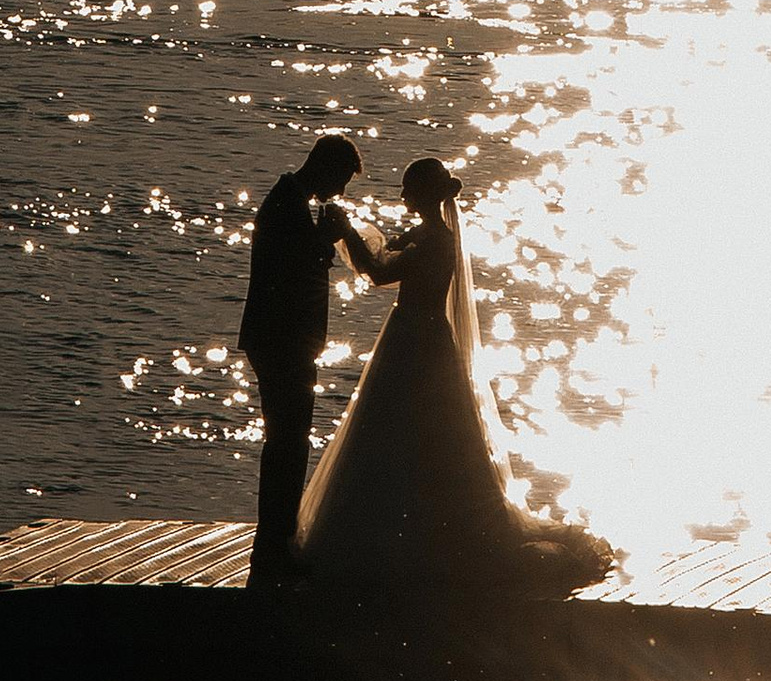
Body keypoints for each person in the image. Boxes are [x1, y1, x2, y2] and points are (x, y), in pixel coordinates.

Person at [292, 157, 612, 594]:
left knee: (429, 435)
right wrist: (349, 231)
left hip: (421, 341)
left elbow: (383, 271)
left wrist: (347, 231)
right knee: (390, 434)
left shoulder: (438, 242)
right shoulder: (424, 235)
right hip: (406, 335)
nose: (402, 197)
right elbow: (380, 260)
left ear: (424, 195)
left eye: (408, 189)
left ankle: (423, 537)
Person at [238, 135, 372, 579]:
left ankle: (277, 539)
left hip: (286, 340)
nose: (343, 192)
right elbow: (291, 270)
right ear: (325, 168)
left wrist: (322, 237)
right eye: (342, 180)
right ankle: (273, 545)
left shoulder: (294, 203)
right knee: (287, 443)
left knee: (289, 441)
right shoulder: (287, 205)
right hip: (281, 340)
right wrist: (326, 239)